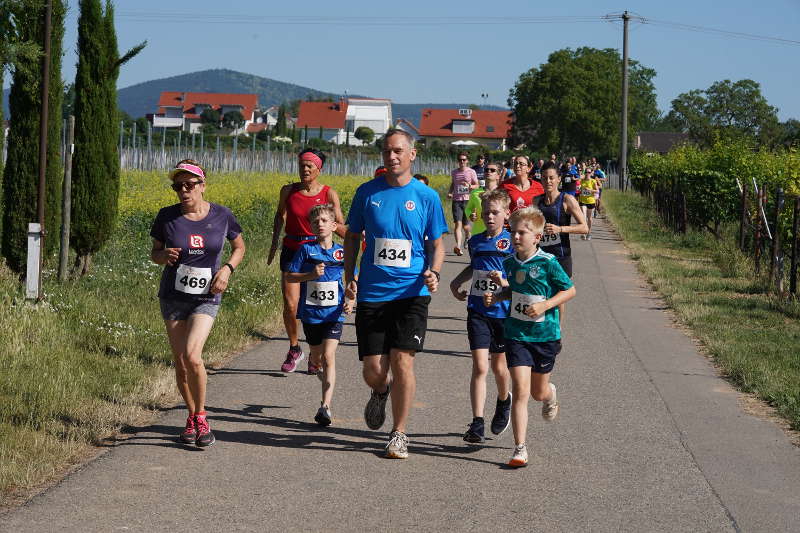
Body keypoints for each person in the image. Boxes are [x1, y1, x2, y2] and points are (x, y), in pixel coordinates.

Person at [343, 128, 448, 459]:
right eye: (387, 151)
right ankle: (381, 390)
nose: (392, 157)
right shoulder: (366, 193)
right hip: (373, 292)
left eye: (398, 151)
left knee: (403, 361)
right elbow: (351, 236)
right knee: (373, 370)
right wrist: (349, 276)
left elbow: (437, 244)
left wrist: (435, 271)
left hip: (411, 292)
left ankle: (399, 433)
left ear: (412, 154)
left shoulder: (426, 197)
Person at [150, 159, 246, 448]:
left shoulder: (222, 215)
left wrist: (227, 269)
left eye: (189, 185)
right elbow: (154, 253)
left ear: (202, 186)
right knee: (180, 363)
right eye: (178, 186)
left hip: (207, 295)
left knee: (193, 356)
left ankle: (202, 417)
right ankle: (191, 417)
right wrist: (162, 255)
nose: (183, 190)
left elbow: (239, 246)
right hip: (173, 297)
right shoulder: (166, 217)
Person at [484, 206, 575, 467]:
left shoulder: (548, 263)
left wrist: (545, 305)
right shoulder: (509, 263)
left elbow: (569, 291)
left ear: (536, 237)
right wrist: (497, 296)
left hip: (545, 335)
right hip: (517, 334)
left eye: (523, 233)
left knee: (537, 392)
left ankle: (550, 393)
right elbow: (514, 292)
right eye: (514, 231)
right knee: (521, 390)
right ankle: (520, 448)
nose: (516, 237)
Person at [268, 148, 346, 373]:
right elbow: (279, 215)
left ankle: (315, 351)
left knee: (316, 303)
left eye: (309, 166)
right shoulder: (288, 190)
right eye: (301, 165)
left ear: (318, 169)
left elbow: (338, 224)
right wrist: (274, 243)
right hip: (293, 250)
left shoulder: (329, 194)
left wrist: (355, 242)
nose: (304, 169)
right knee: (290, 304)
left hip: (318, 253)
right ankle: (294, 348)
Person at [450, 189, 513, 444]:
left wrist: (503, 282)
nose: (489, 217)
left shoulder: (512, 242)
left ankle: (503, 399)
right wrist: (456, 282)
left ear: (507, 214)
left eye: (495, 213)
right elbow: (474, 267)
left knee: (499, 367)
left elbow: (520, 278)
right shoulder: (475, 241)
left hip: (503, 313)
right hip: (477, 311)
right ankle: (477, 423)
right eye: (486, 212)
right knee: (480, 366)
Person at [285, 204, 353, 426]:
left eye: (324, 220)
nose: (320, 224)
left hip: (334, 314)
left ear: (334, 226)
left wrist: (351, 299)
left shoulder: (342, 252)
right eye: (315, 222)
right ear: (311, 227)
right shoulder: (306, 250)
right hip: (312, 314)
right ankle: (313, 364)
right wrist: (310, 274)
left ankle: (325, 407)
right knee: (317, 358)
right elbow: (290, 277)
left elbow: (353, 280)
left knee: (329, 357)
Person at [537, 161, 588, 279]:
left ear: (559, 179)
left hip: (561, 257)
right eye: (544, 178)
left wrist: (560, 229)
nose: (548, 181)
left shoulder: (567, 199)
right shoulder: (536, 201)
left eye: (551, 178)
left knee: (560, 295)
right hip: (540, 257)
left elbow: (584, 227)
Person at [448, 152, 479, 256]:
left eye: (464, 159)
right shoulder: (454, 172)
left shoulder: (471, 171)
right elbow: (453, 183)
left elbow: (477, 185)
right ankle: (458, 246)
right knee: (458, 224)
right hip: (456, 200)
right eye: (460, 160)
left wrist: (470, 186)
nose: (462, 161)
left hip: (468, 201)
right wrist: (450, 192)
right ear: (458, 161)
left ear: (467, 161)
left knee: (466, 227)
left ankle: (467, 236)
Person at [465, 162, 501, 235]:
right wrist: (470, 215)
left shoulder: (502, 193)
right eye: (486, 170)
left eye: (492, 170)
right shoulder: (475, 193)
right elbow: (468, 209)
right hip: (478, 233)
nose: (488, 171)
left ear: (498, 175)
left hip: (498, 234)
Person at [578, 169, 599, 240]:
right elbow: (579, 188)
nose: (587, 173)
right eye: (586, 172)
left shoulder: (593, 181)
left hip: (591, 201)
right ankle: (583, 233)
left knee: (589, 218)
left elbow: (597, 190)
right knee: (583, 217)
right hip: (582, 201)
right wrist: (579, 189)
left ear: (591, 173)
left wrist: (590, 190)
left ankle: (589, 233)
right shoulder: (582, 181)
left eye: (589, 172)